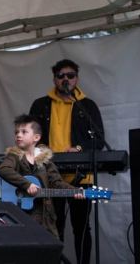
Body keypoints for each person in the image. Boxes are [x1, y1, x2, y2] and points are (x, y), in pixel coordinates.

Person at [29, 59, 104, 264]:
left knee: (82, 226)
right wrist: (42, 148)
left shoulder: (87, 106)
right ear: (54, 79)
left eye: (70, 75)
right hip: (51, 177)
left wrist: (78, 149)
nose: (65, 79)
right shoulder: (40, 105)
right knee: (54, 226)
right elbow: (30, 136)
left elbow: (98, 139)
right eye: (61, 75)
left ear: (76, 79)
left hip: (81, 177)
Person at [0, 114, 85, 238]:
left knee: (49, 249)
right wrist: (26, 184)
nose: (18, 135)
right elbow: (4, 169)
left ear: (36, 137)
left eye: (24, 132)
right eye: (16, 132)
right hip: (21, 216)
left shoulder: (46, 162)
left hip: (45, 217)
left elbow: (56, 182)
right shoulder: (15, 157)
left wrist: (74, 191)